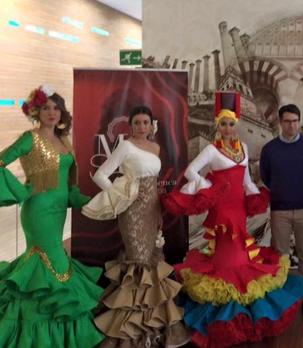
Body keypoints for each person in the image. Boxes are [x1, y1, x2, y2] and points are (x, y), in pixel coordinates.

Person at [161, 92, 303, 347]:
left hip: (239, 208)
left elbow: (247, 179)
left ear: (236, 125)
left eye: (231, 123)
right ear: (218, 125)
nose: (228, 128)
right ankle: (226, 314)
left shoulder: (244, 148)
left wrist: (256, 194)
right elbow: (191, 171)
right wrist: (209, 186)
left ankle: (243, 312)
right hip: (222, 212)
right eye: (223, 123)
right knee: (228, 259)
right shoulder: (210, 149)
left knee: (243, 256)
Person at [0, 85, 104, 347]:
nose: (52, 112)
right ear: (36, 111)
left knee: (51, 263)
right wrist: (20, 191)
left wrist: (94, 201)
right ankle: (37, 334)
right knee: (50, 263)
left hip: (58, 212)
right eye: (46, 107)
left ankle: (56, 329)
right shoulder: (29, 138)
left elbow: (69, 188)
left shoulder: (64, 141)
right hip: (37, 211)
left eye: (56, 107)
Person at [82, 106, 190, 347]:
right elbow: (101, 175)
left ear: (152, 125)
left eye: (146, 122)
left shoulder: (156, 148)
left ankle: (154, 324)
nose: (142, 126)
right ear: (130, 126)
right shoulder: (126, 146)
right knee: (138, 263)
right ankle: (131, 332)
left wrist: (159, 211)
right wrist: (120, 195)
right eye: (137, 122)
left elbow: (154, 183)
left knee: (151, 261)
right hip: (132, 213)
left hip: (152, 211)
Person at [259, 103, 303, 315]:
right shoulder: (269, 149)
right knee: (281, 256)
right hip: (279, 211)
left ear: (299, 121)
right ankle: (283, 301)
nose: (292, 125)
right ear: (280, 122)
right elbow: (266, 177)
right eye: (287, 121)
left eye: (295, 121)